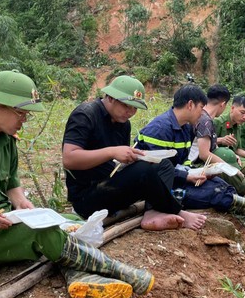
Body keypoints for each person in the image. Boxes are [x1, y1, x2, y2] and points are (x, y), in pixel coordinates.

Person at [0, 70, 153, 298]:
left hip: (4, 219)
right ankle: (119, 271)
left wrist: (22, 203)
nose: (24, 120)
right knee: (43, 231)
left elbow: (11, 184)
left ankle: (78, 274)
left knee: (74, 220)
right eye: (21, 112)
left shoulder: (7, 139)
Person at [137, 84, 245, 238]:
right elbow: (155, 170)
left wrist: (197, 173)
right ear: (190, 105)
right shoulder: (159, 129)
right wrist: (187, 176)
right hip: (162, 188)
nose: (203, 112)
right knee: (215, 192)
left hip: (177, 178)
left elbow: (182, 163)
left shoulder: (186, 129)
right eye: (201, 107)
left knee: (222, 184)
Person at [62, 75, 206, 232]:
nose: (130, 112)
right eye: (126, 105)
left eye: (135, 108)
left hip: (111, 186)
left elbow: (117, 163)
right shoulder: (85, 115)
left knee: (163, 165)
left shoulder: (123, 124)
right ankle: (176, 210)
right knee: (143, 170)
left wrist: (132, 157)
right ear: (110, 97)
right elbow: (69, 159)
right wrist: (111, 152)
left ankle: (152, 212)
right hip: (88, 198)